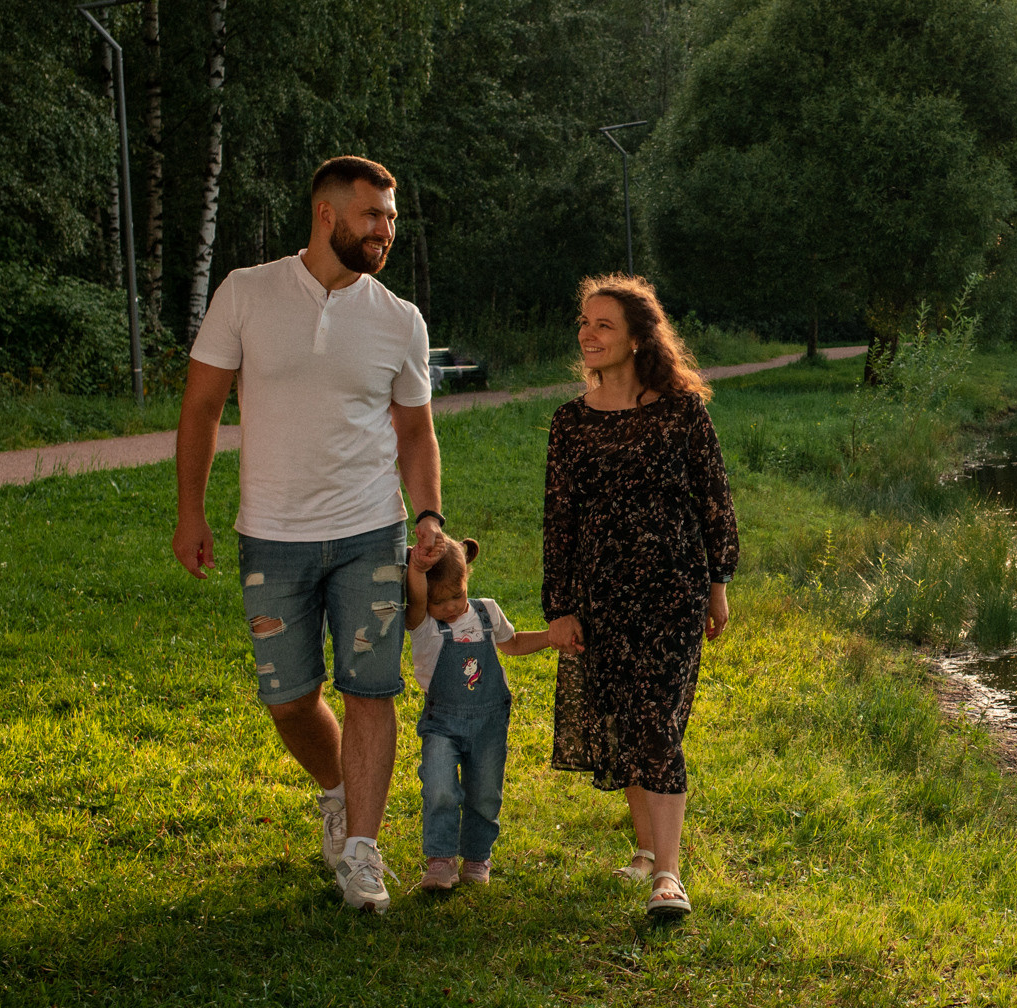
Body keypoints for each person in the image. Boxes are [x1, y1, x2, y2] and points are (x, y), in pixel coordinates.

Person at [171, 155, 447, 914]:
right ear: (328, 214)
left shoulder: (399, 319)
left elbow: (417, 433)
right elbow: (200, 408)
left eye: (391, 218)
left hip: (370, 531)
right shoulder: (247, 293)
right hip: (272, 536)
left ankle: (362, 848)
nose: (386, 230)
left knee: (372, 689)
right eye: (374, 215)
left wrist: (428, 516)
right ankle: (336, 791)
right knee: (290, 700)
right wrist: (190, 511)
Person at [540, 274, 738, 921]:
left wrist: (718, 585)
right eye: (584, 323)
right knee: (627, 718)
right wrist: (562, 605)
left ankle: (670, 878)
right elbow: (560, 520)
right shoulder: (570, 423)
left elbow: (713, 500)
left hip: (673, 590)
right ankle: (650, 851)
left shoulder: (681, 410)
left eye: (603, 324)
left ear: (636, 338)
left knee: (659, 722)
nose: (587, 335)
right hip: (602, 594)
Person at [405, 535, 557, 890]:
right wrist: (417, 566)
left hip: (489, 722)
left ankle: (476, 856)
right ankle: (441, 861)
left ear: (466, 580)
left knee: (485, 792)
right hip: (442, 723)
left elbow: (514, 644)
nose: (451, 607)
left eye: (457, 595)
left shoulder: (486, 611)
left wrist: (552, 636)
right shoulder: (422, 622)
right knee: (440, 787)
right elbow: (416, 599)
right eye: (439, 601)